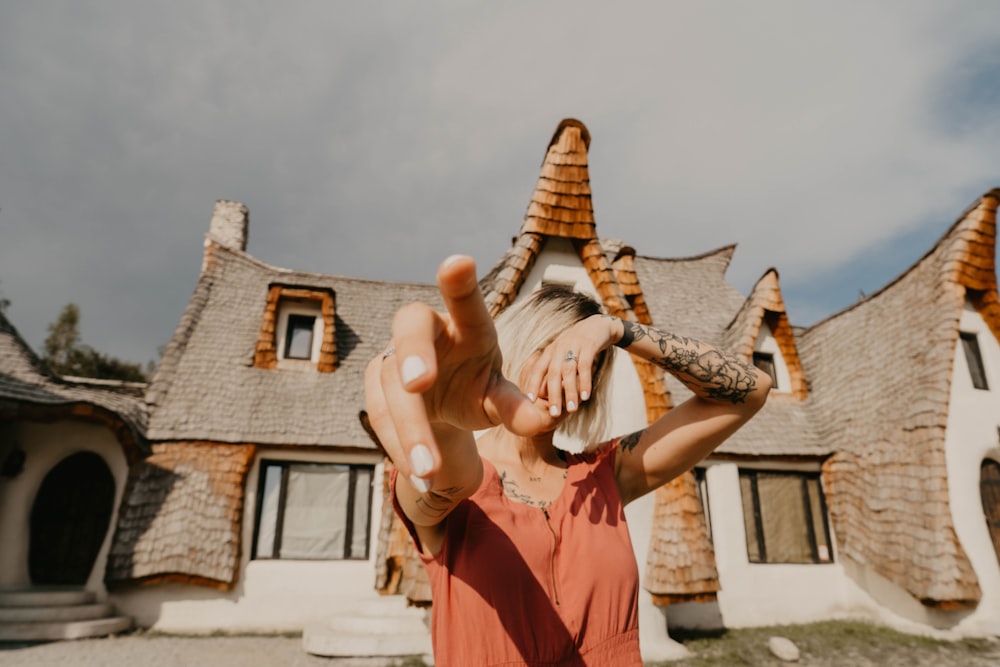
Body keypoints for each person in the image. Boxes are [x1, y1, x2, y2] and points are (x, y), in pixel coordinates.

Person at [365, 255, 771, 666]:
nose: (566, 375)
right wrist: (443, 420)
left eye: (586, 366)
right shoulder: (458, 483)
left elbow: (752, 389)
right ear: (513, 349)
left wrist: (614, 329)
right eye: (549, 351)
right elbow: (447, 474)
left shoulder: (606, 475)